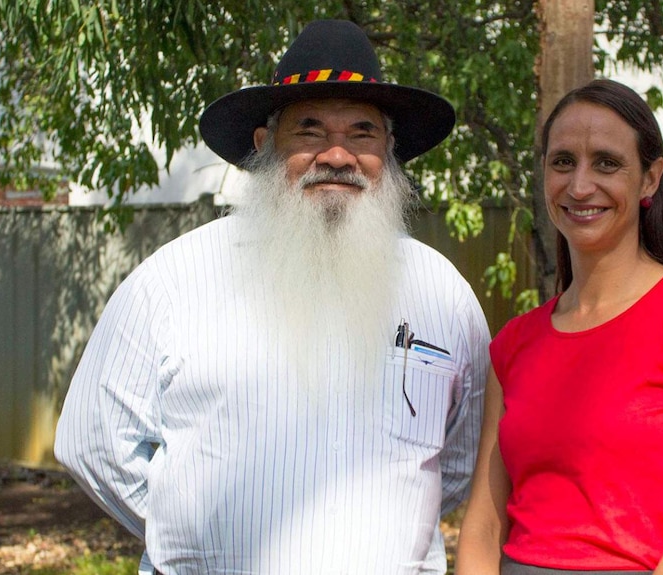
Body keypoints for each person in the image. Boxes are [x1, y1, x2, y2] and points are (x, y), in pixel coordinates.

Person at [54, 19, 490, 575]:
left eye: (362, 133)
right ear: (265, 145)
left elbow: (462, 458)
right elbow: (93, 442)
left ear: (389, 150)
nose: (338, 155)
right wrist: (197, 533)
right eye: (309, 131)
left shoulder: (442, 293)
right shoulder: (174, 279)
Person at [456, 78, 663, 575]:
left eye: (607, 163)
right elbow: (482, 529)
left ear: (650, 179)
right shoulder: (513, 344)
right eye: (562, 162)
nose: (579, 186)